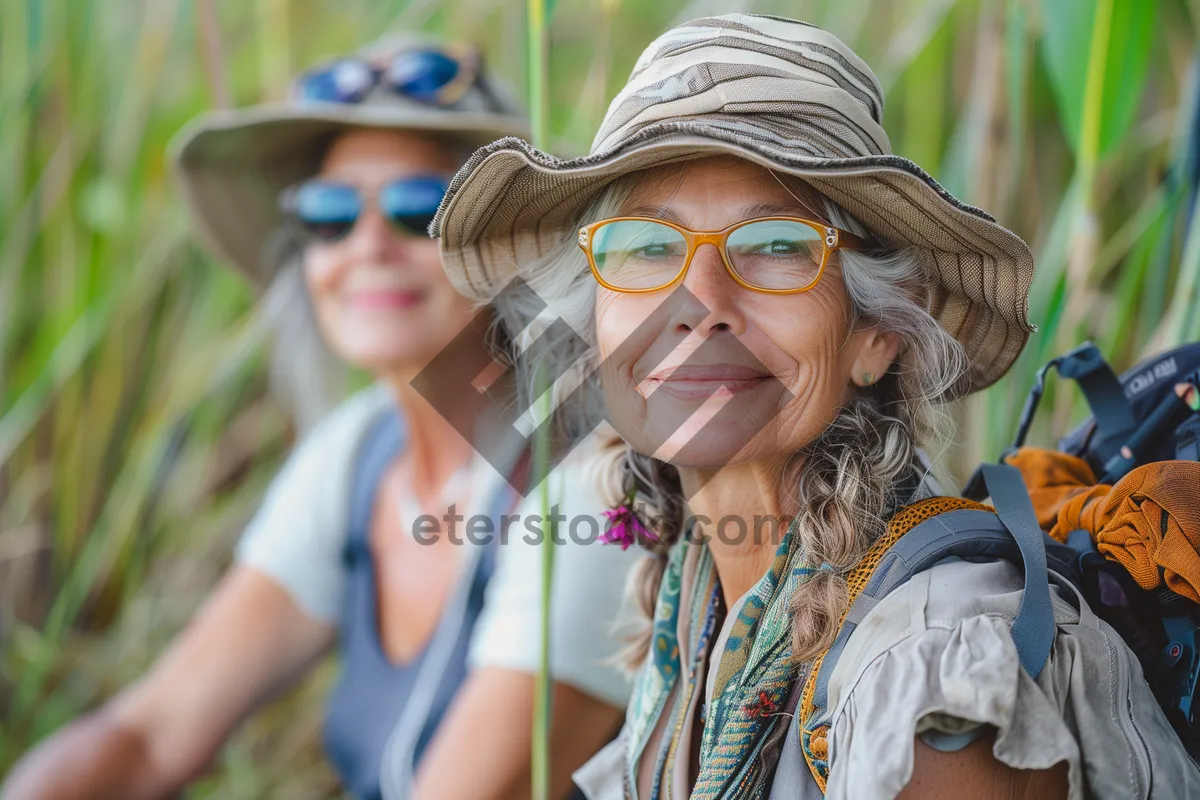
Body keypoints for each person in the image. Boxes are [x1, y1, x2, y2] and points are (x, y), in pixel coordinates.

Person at [430, 14, 1200, 800]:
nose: (698, 304)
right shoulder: (699, 610)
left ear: (877, 331)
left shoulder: (931, 664)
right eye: (647, 247)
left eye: (774, 246)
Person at [3, 35, 638, 800]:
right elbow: (150, 735)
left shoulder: (587, 485)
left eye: (419, 211)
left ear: (512, 247)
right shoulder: (360, 451)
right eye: (330, 213)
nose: (367, 245)